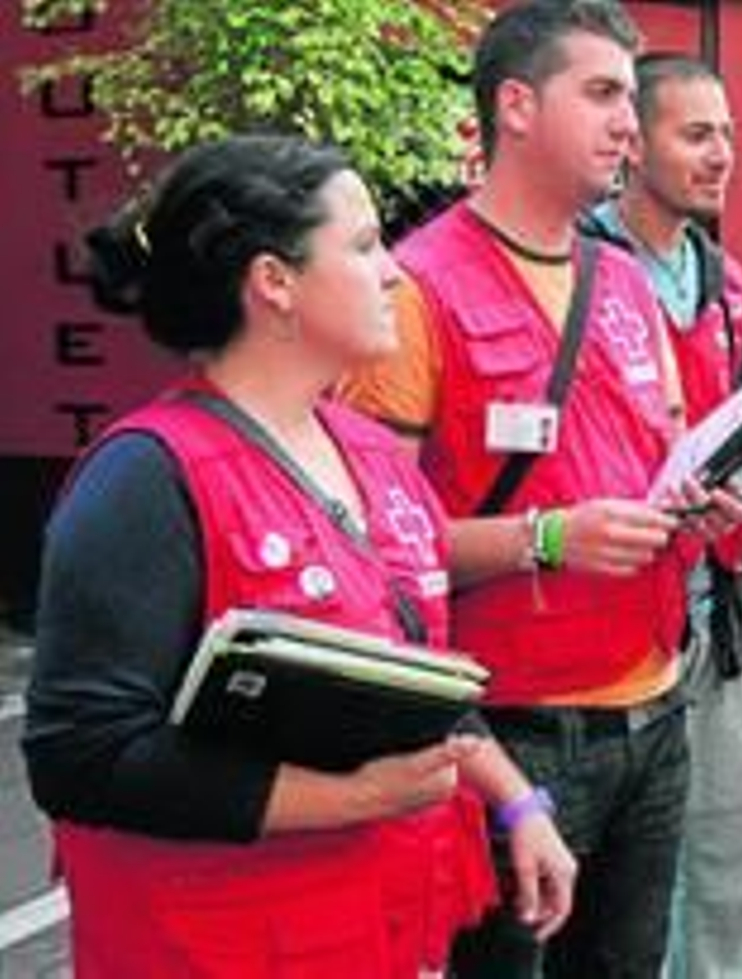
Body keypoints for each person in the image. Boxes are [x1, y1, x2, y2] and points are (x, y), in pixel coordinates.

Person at [22, 135, 575, 978]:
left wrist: (517, 802)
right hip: (214, 944)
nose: (395, 271)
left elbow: (410, 679)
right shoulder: (146, 477)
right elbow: (81, 757)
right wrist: (357, 797)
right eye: (361, 246)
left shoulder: (374, 452)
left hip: (371, 932)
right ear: (273, 282)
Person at [338, 4, 742, 976]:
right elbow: (367, 557)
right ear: (515, 106)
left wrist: (706, 501)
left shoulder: (623, 284)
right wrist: (546, 537)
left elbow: (658, 464)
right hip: (516, 734)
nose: (626, 122)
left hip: (657, 711)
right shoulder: (413, 290)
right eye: (602, 93)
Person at [581, 52, 742, 978]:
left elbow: (732, 429)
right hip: (601, 627)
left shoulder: (726, 280)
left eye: (729, 135)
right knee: (619, 882)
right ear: (634, 143)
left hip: (707, 616)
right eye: (696, 134)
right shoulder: (576, 266)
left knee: (728, 847)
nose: (721, 155)